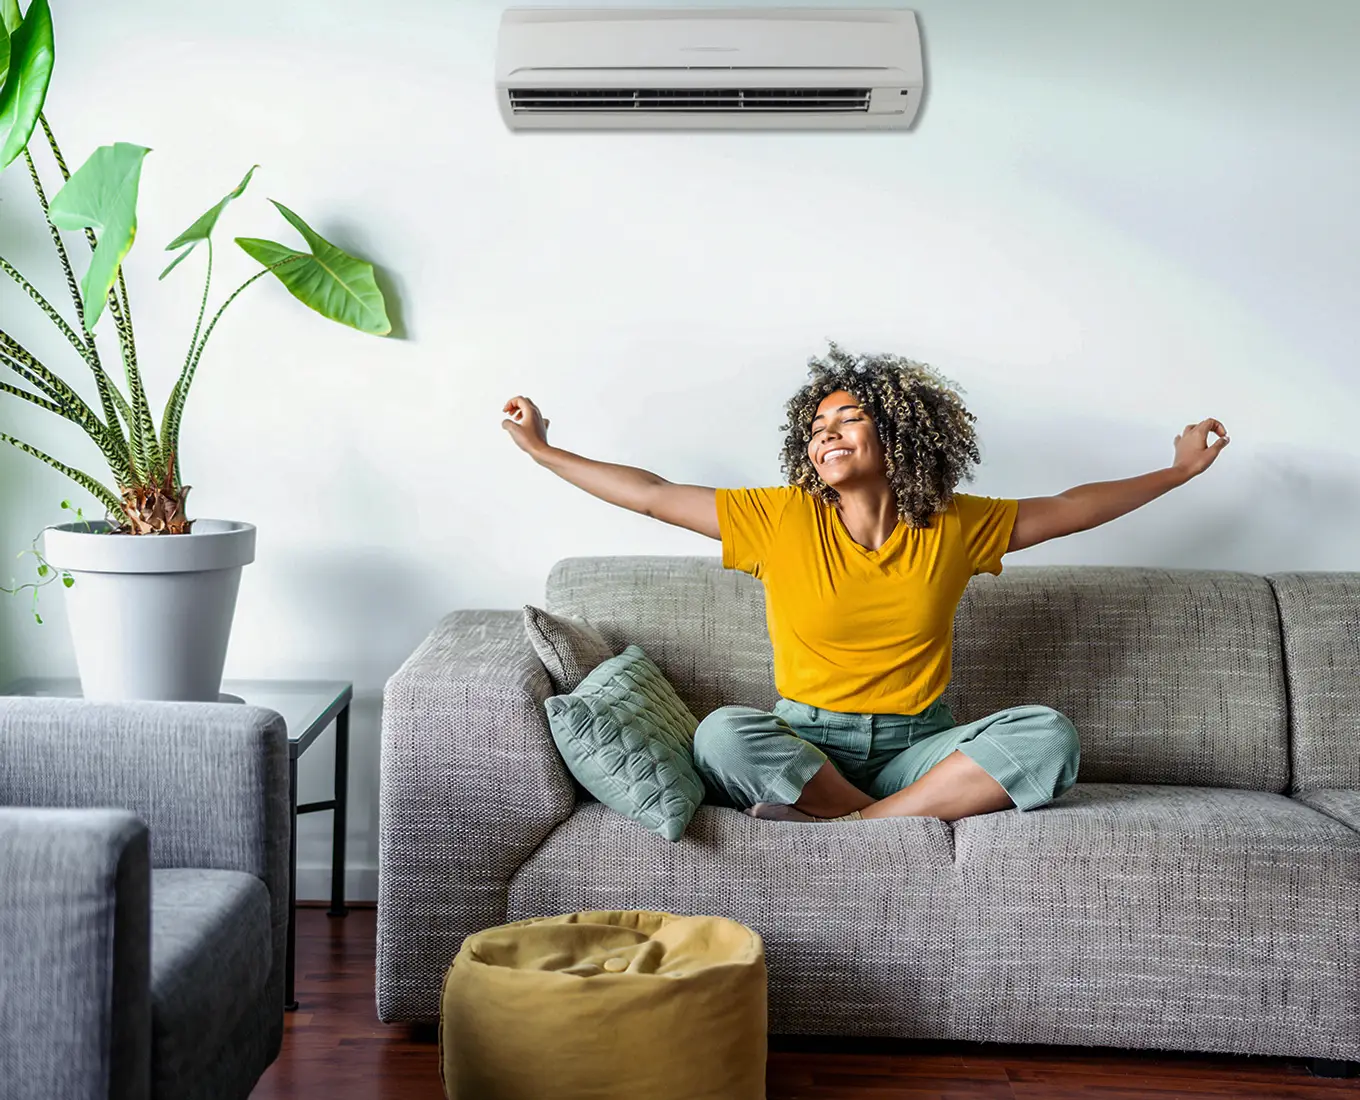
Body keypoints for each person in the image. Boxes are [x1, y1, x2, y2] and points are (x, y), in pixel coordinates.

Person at [501, 342, 1230, 824]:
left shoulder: (954, 525)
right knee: (721, 735)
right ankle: (893, 819)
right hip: (808, 744)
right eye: (817, 425)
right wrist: (542, 452)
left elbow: (1072, 508)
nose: (827, 432)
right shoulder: (777, 519)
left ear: (902, 435)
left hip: (921, 748)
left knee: (1048, 735)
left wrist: (1178, 471)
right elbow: (654, 493)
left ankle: (859, 826)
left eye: (848, 417)